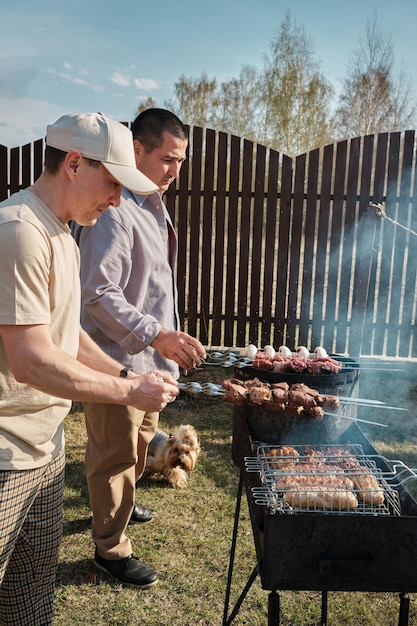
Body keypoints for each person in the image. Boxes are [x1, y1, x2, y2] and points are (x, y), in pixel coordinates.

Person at [0, 112, 180, 626]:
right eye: (114, 183)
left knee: (29, 602)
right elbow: (32, 358)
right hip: (5, 454)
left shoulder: (61, 230)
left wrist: (126, 377)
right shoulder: (18, 232)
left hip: (44, 449)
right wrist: (126, 394)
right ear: (74, 163)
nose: (119, 200)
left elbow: (66, 334)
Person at [72, 108, 206, 588]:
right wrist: (158, 334)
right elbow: (97, 293)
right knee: (111, 454)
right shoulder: (114, 211)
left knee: (135, 445)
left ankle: (122, 508)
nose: (175, 171)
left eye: (181, 161)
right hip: (114, 361)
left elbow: (149, 286)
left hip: (152, 362)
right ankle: (110, 549)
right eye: (167, 159)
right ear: (137, 151)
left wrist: (166, 342)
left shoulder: (152, 203)